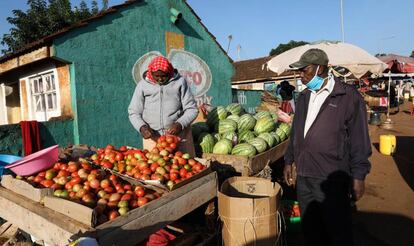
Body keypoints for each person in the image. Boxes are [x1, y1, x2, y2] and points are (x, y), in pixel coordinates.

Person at [283, 49, 372, 246]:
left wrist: (358, 176)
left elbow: (360, 139)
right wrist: (289, 160)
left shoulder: (347, 96)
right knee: (312, 230)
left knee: (337, 231)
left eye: (304, 70)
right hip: (305, 174)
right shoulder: (304, 96)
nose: (300, 75)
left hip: (331, 176)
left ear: (320, 68)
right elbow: (297, 132)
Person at [128, 56, 198, 154]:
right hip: (152, 139)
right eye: (156, 76)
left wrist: (180, 124)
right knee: (154, 167)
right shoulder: (142, 86)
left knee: (184, 166)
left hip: (178, 138)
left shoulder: (180, 82)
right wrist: (142, 127)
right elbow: (134, 112)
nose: (160, 79)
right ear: (151, 73)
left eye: (164, 75)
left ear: (169, 72)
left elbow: (192, 109)